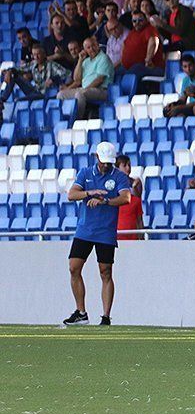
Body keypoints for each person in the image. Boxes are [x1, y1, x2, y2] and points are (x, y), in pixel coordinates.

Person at [62, 142, 132, 327]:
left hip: (106, 231)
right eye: (103, 162)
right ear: (96, 158)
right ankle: (81, 312)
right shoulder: (85, 173)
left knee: (105, 272)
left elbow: (126, 198)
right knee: (74, 267)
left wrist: (105, 201)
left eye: (109, 163)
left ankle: (106, 316)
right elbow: (71, 194)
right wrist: (89, 193)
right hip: (85, 229)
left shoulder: (119, 176)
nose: (106, 166)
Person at [57, 37, 112, 117]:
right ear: (85, 50)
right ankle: (64, 119)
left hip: (101, 90)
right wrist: (80, 60)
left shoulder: (103, 58)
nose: (91, 49)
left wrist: (85, 89)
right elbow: (77, 79)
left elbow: (99, 80)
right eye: (88, 48)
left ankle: (77, 120)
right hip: (86, 90)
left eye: (93, 46)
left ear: (97, 45)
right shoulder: (86, 61)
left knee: (80, 94)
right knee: (61, 94)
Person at [114, 155, 144, 242]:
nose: (128, 168)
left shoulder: (136, 182)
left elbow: (138, 207)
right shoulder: (112, 185)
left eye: (129, 165)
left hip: (132, 233)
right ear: (117, 168)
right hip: (117, 234)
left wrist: (141, 237)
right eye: (124, 165)